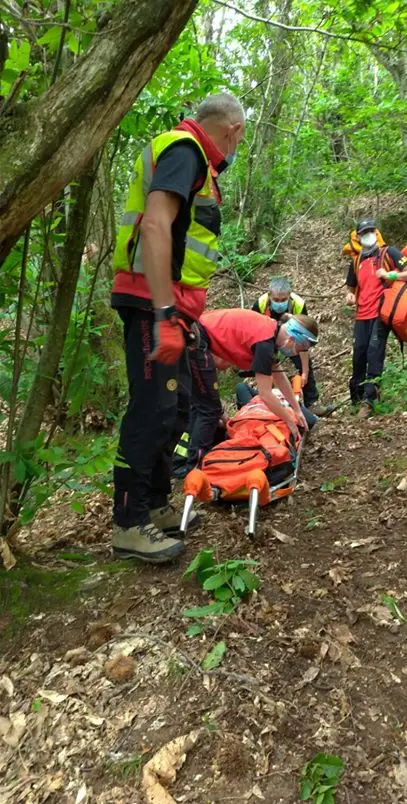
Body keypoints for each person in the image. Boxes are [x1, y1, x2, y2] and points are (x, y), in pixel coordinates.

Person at [110, 92, 245, 563]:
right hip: (152, 301)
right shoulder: (186, 151)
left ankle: (154, 504)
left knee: (181, 405)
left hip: (170, 305)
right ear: (233, 130)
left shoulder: (196, 163)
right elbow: (154, 226)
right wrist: (166, 314)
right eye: (239, 138)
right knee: (152, 409)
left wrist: (180, 315)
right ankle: (128, 523)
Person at [199, 309, 318, 438]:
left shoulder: (271, 332)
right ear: (292, 340)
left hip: (200, 331)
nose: (297, 353)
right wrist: (289, 421)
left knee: (210, 411)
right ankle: (193, 456)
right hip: (198, 338)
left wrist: (297, 410)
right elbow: (265, 394)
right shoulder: (265, 343)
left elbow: (279, 377)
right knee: (208, 412)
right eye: (300, 349)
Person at [343, 218, 407, 416]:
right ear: (358, 236)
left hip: (381, 313)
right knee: (358, 355)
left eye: (371, 231)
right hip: (362, 314)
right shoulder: (356, 260)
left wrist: (391, 275)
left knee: (374, 354)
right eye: (364, 232)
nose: (369, 235)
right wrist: (350, 295)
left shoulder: (389, 253)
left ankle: (370, 401)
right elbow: (351, 287)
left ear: (376, 232)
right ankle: (356, 398)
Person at [251, 276, 319, 407]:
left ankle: (312, 402)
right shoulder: (260, 304)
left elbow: (303, 342)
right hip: (265, 340)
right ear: (269, 295)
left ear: (289, 295)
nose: (279, 303)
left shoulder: (298, 304)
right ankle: (268, 402)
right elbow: (253, 333)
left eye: (283, 300)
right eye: (276, 300)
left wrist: (304, 373)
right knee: (266, 366)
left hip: (291, 340)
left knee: (304, 363)